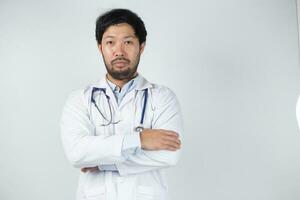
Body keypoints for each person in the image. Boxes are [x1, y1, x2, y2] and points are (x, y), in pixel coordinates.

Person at [60, 8, 183, 200]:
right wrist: (140, 140)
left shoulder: (162, 98)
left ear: (141, 46)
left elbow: (169, 155)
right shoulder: (80, 99)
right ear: (100, 47)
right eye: (110, 42)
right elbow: (77, 153)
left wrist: (103, 163)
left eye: (128, 42)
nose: (119, 51)